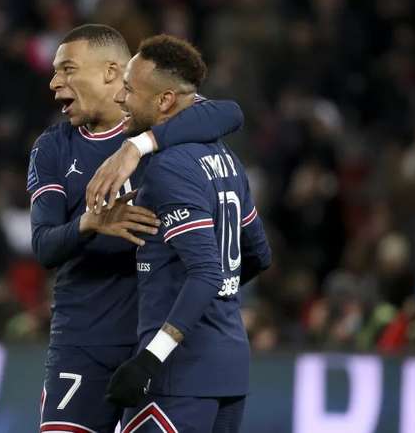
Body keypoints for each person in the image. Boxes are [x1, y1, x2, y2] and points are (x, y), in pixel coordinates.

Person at [29, 25, 244, 432]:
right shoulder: (53, 147)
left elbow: (230, 112)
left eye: (68, 69)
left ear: (112, 72)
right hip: (83, 341)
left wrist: (138, 147)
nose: (55, 82)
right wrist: (89, 224)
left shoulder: (159, 135)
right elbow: (43, 246)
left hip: (157, 345)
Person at [104, 35, 271, 432]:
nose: (120, 99)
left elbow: (206, 274)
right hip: (229, 369)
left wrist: (150, 358)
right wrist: (213, 301)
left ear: (164, 101)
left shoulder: (169, 168)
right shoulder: (228, 159)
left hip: (175, 377)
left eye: (130, 89)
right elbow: (258, 254)